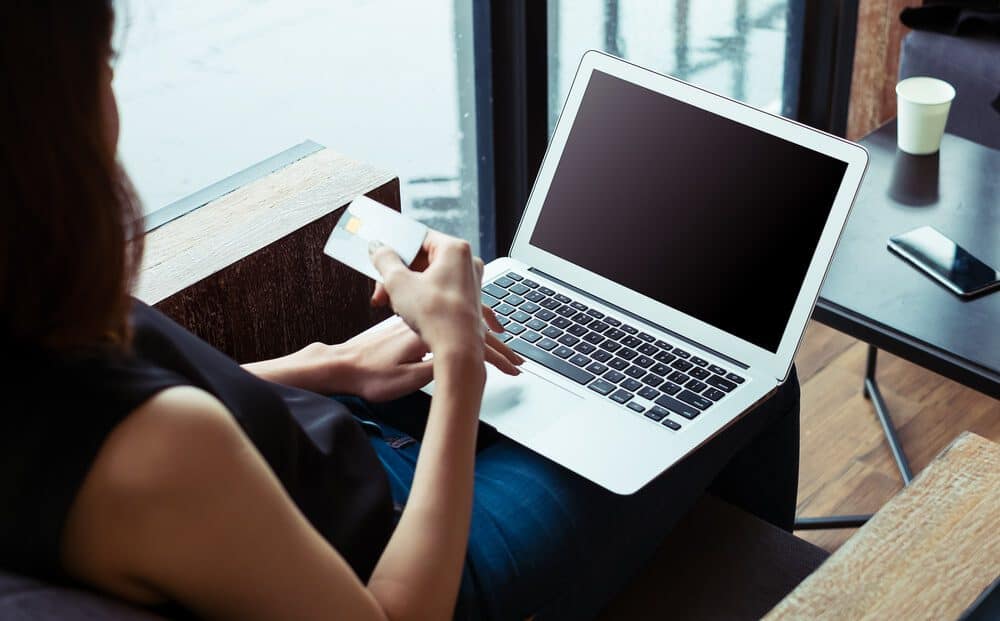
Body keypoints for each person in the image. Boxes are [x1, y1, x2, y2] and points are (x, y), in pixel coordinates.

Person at [0, 3, 800, 619]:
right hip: (434, 562)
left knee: (690, 369)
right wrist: (455, 364)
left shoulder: (26, 295)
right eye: (99, 64)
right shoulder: (159, 453)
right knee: (762, 379)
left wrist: (327, 363)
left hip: (334, 450)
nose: (112, 92)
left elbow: (133, 402)